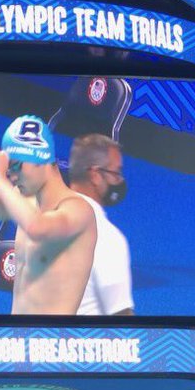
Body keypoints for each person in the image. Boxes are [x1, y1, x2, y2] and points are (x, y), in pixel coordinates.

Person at [0, 115, 97, 315]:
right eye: (8, 168)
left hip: (55, 339)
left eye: (15, 166)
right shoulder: (25, 199)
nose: (12, 176)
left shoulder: (79, 212)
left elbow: (37, 228)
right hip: (19, 335)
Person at [66, 133, 135, 316]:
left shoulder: (42, 217)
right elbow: (123, 322)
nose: (119, 181)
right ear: (95, 175)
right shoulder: (107, 238)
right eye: (116, 173)